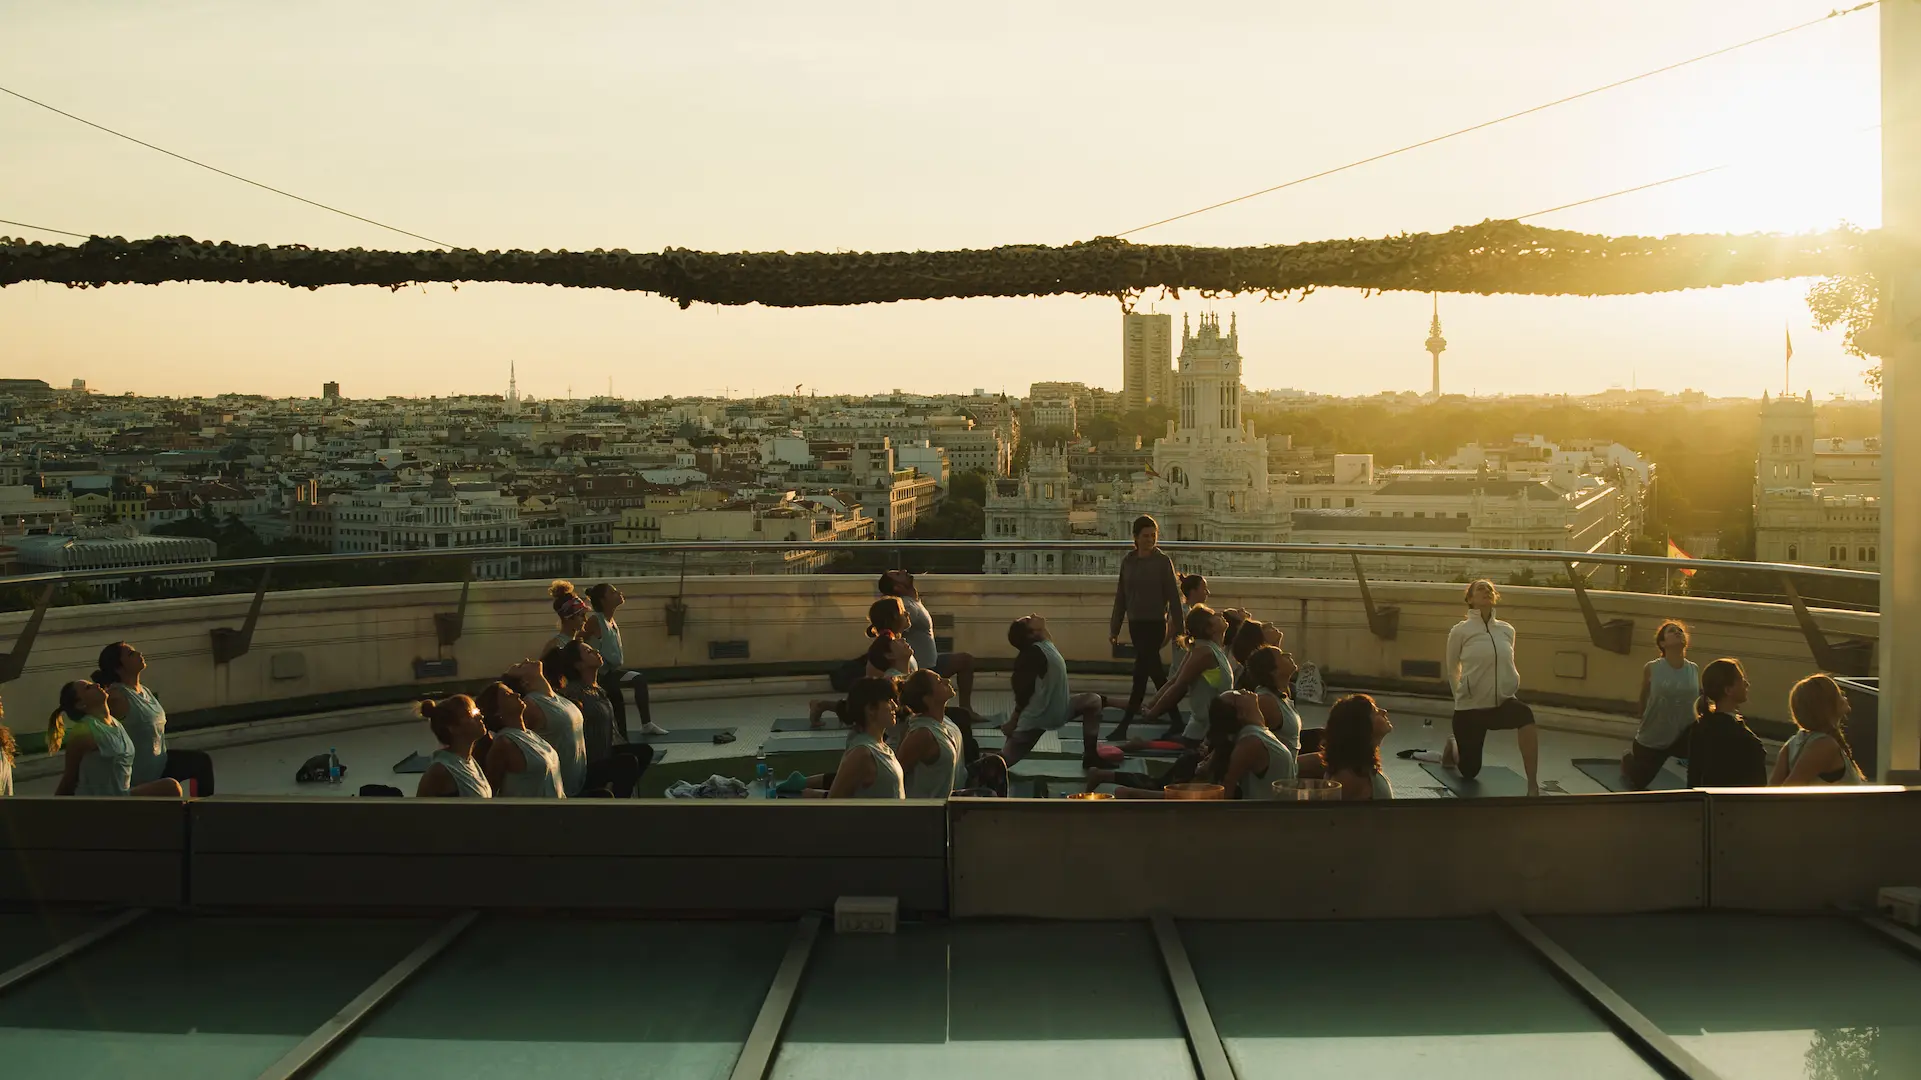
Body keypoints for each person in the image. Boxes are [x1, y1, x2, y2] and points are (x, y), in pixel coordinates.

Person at [1441, 579, 1540, 797]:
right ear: (1470, 599)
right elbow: (1451, 669)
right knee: (1469, 771)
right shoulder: (1460, 631)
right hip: (1470, 709)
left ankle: (1533, 785)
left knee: (1525, 714)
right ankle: (1453, 744)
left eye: (1489, 589)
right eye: (1480, 589)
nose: (1486, 591)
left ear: (1494, 597)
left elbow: (1504, 663)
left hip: (1501, 703)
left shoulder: (1507, 630)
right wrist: (1462, 696)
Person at [94, 642, 216, 796]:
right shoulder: (117, 697)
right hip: (141, 774)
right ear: (118, 667)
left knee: (201, 762)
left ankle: (201, 813)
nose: (139, 653)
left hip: (160, 763)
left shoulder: (144, 690)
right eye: (131, 654)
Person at [1106, 515, 1183, 741]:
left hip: (1154, 625)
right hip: (1136, 625)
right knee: (1155, 675)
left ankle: (1124, 726)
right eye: (1146, 536)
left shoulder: (1162, 561)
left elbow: (1173, 597)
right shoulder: (1128, 562)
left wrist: (1180, 628)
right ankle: (1176, 720)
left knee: (1141, 677)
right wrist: (1114, 628)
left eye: (1153, 536)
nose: (1150, 540)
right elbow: (1121, 596)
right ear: (1136, 538)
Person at [539, 645, 651, 798]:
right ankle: (617, 805)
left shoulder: (598, 689)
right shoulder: (574, 692)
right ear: (579, 665)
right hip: (587, 762)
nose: (596, 652)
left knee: (644, 752)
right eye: (588, 652)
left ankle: (619, 793)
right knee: (627, 762)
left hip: (604, 751)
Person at [1003, 614, 1109, 768]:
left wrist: (1040, 627)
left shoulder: (1045, 643)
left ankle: (1090, 756)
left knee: (1093, 701)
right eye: (1028, 619)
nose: (1032, 615)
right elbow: (1022, 692)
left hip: (1059, 710)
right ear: (1031, 634)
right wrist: (1013, 721)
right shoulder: (1032, 654)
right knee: (1003, 760)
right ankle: (972, 772)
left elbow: (1045, 634)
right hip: (1038, 718)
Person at [48, 681, 181, 797]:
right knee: (170, 787)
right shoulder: (84, 731)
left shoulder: (115, 723)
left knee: (170, 788)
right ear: (81, 704)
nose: (96, 685)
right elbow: (69, 779)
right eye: (88, 687)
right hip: (103, 804)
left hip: (121, 797)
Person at [1137, 605, 1234, 748]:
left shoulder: (1208, 649)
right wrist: (1153, 712)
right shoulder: (1204, 652)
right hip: (1204, 733)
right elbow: (1179, 686)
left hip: (1210, 730)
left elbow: (1175, 680)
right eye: (1213, 615)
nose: (1219, 614)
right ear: (1209, 629)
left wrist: (1151, 705)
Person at [878, 570, 976, 710]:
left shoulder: (912, 601)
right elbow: (893, 627)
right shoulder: (907, 605)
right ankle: (965, 710)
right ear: (897, 587)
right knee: (966, 661)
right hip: (923, 669)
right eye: (898, 575)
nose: (904, 571)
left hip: (931, 662)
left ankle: (965, 709)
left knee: (966, 660)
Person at [1621, 621, 1700, 790]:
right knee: (1638, 782)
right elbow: (1644, 693)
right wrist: (1642, 713)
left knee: (1701, 762)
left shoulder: (1694, 669)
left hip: (1683, 735)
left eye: (1680, 631)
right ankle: (1627, 760)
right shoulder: (1653, 667)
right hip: (1655, 735)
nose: (1678, 632)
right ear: (1662, 643)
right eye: (1672, 631)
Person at [583, 583, 669, 737]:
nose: (619, 593)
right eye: (613, 592)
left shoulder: (611, 621)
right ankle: (623, 735)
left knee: (638, 680)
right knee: (619, 693)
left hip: (612, 672)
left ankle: (646, 725)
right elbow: (578, 640)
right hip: (600, 676)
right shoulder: (595, 621)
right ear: (603, 600)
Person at [475, 681, 564, 798]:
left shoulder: (531, 734)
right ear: (497, 711)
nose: (516, 695)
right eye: (507, 695)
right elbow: (492, 789)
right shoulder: (505, 743)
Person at [1772, 673, 1865, 786]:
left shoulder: (1792, 744)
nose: (1844, 695)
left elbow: (1771, 790)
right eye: (1838, 693)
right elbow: (1787, 790)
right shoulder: (1824, 745)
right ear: (1826, 703)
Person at [1687, 658, 1767, 788]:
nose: (1747, 684)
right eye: (1741, 680)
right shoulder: (1743, 738)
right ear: (1728, 690)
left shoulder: (1700, 726)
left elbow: (1693, 779)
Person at [826, 677, 905, 799]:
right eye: (888, 701)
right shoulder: (862, 753)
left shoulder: (881, 747)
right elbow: (834, 802)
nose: (895, 706)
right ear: (870, 710)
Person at [897, 669, 966, 798]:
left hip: (951, 800)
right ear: (927, 699)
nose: (947, 680)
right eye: (939, 681)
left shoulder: (943, 721)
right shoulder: (922, 734)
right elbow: (897, 774)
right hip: (930, 811)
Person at [1218, 689, 1298, 800]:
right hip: (1264, 815)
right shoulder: (1251, 742)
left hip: (1279, 813)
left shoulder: (1261, 733)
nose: (1243, 690)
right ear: (1241, 713)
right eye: (1237, 694)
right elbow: (1225, 791)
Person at [414, 695, 493, 798]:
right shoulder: (441, 771)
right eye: (472, 714)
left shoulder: (469, 762)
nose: (480, 716)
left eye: (477, 711)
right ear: (453, 728)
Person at [1323, 693, 1394, 801]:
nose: (1384, 711)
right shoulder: (1348, 777)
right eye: (1375, 712)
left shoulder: (1363, 768)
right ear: (1361, 726)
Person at [1241, 645, 1304, 756]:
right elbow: (1241, 736)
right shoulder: (1266, 702)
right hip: (1279, 772)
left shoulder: (1284, 694)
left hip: (1291, 766)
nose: (1288, 654)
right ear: (1274, 671)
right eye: (1281, 655)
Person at [864, 597, 919, 678]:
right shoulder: (885, 648)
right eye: (902, 611)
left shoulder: (899, 646)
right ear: (892, 618)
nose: (907, 613)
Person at [545, 580, 590, 656]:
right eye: (581, 615)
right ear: (568, 617)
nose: (585, 619)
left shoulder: (579, 642)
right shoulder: (555, 646)